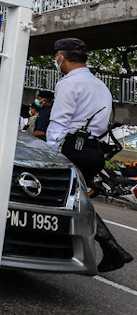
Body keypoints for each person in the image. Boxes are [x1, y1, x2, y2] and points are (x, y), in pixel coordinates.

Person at [45, 37, 133, 272]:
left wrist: (49, 154)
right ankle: (69, 248)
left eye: (56, 57)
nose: (56, 61)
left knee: (63, 197)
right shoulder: (100, 85)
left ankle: (111, 248)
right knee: (73, 199)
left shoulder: (68, 83)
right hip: (94, 151)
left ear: (61, 57)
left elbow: (59, 122)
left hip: (75, 148)